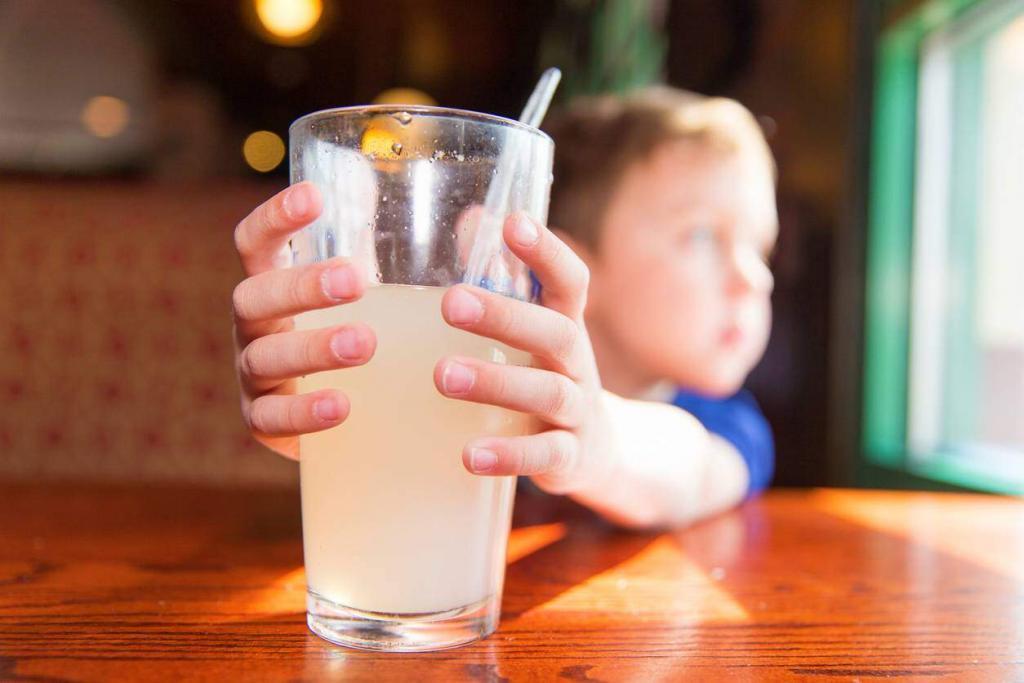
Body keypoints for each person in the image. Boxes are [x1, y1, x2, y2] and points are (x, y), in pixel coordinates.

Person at [230, 86, 776, 529]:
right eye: (703, 237)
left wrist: (598, 444)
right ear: (564, 261)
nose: (755, 277)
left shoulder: (728, 422)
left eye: (763, 247)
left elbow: (695, 469)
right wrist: (348, 402)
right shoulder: (469, 382)